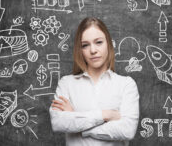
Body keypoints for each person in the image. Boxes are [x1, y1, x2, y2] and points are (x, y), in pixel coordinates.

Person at [49, 17, 140, 146]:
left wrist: (77, 120)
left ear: (108, 43)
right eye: (85, 45)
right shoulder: (67, 83)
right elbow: (58, 123)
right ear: (80, 50)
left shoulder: (126, 84)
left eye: (98, 42)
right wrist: (106, 115)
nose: (93, 50)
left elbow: (127, 131)